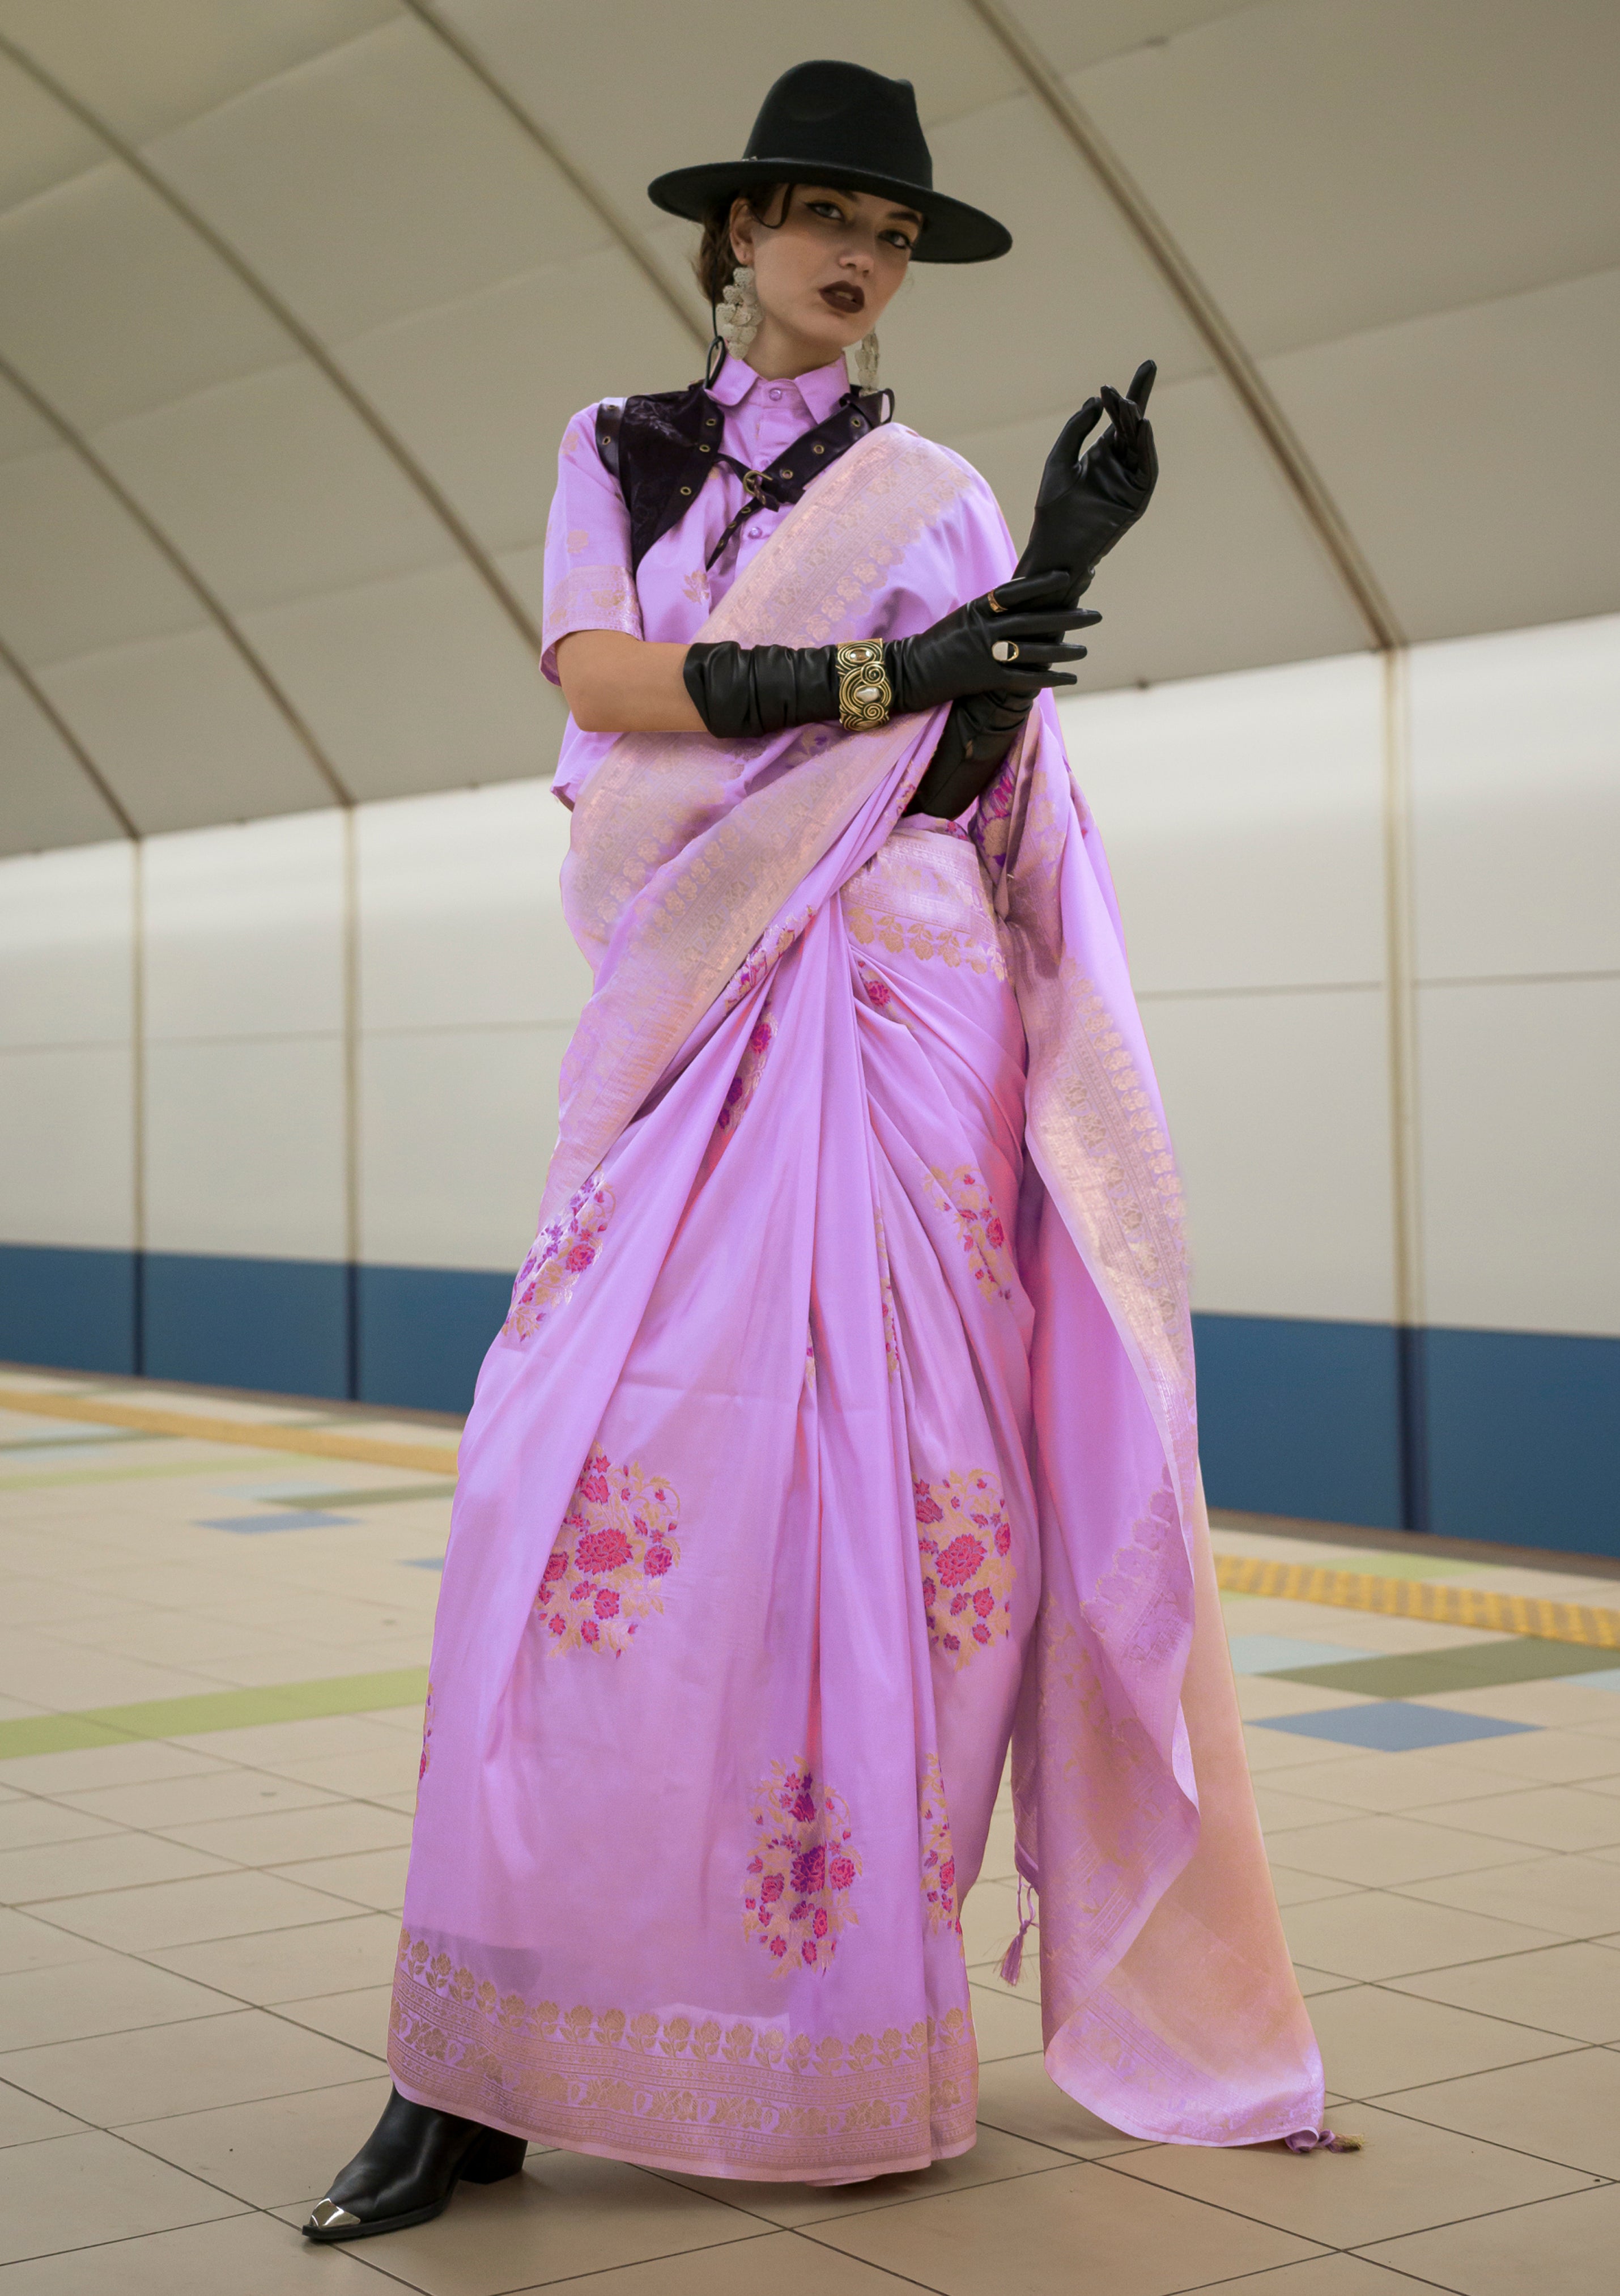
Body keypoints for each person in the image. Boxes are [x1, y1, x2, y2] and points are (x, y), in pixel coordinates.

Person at [305, 59, 1326, 2246]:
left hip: (913, 1013)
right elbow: (600, 675)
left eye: (889, 228)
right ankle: (469, 2064)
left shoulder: (944, 486)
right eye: (819, 216)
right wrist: (882, 673)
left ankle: (834, 2023)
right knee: (564, 1497)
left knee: (920, 1537)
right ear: (736, 233)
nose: (856, 257)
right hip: (700, 1017)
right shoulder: (615, 448)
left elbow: (977, 770)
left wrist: (1049, 568)